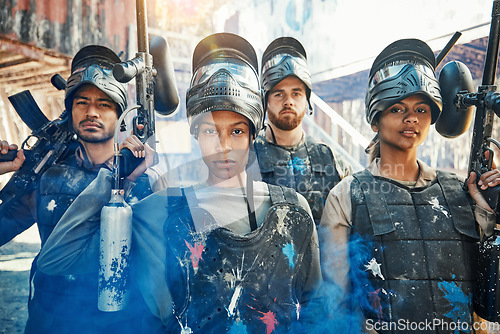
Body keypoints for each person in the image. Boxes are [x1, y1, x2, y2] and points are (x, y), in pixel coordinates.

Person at [38, 32, 323, 333]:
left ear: (254, 135)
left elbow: (313, 301)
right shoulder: (161, 210)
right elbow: (56, 260)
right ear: (196, 133)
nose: (223, 145)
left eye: (237, 131)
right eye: (211, 131)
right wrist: (115, 178)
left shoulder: (291, 211)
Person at [319, 38, 500, 333]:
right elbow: (334, 302)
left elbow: (485, 300)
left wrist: (487, 210)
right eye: (397, 109)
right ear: (375, 120)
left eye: (421, 110)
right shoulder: (347, 194)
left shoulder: (460, 191)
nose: (411, 118)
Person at [0, 45, 154, 333]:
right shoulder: (48, 177)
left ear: (120, 115)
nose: (91, 112)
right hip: (53, 319)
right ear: (69, 110)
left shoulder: (144, 179)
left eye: (104, 104)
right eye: (81, 102)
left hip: (124, 322)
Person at [253, 36, 351, 225]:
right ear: (265, 102)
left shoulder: (332, 161)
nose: (288, 101)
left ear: (307, 100)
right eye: (278, 93)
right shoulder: (245, 159)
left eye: (296, 93)